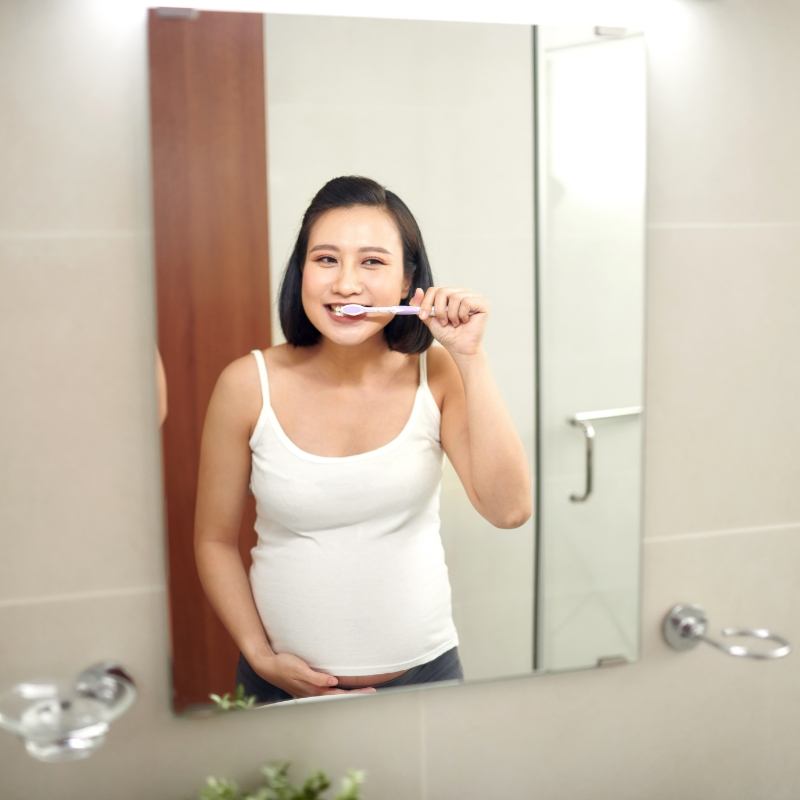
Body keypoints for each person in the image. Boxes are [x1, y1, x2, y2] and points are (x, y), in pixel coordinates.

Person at [194, 176, 532, 704]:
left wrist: (470, 358)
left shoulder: (437, 374)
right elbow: (212, 541)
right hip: (277, 686)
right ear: (300, 271)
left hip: (427, 680)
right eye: (326, 259)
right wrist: (259, 655)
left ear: (407, 281)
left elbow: (509, 510)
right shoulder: (246, 384)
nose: (346, 283)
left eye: (372, 262)